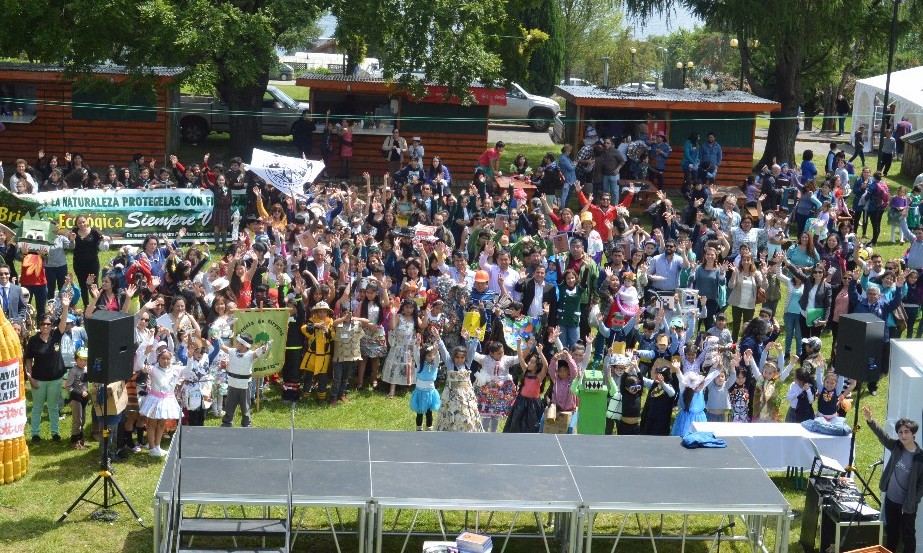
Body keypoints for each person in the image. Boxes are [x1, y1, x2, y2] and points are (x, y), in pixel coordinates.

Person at [863, 405, 923, 553]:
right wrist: (871, 420)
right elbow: (883, 437)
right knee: (892, 534)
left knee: (908, 536)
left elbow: (921, 485)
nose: (903, 435)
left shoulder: (920, 458)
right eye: (900, 432)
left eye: (906, 432)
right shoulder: (896, 447)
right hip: (891, 500)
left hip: (907, 505)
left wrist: (914, 500)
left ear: (913, 433)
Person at [24, 295, 71, 442]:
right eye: (43, 324)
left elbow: (63, 323)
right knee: (37, 408)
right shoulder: (33, 340)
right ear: (39, 325)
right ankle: (35, 434)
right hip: (38, 380)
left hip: (55, 380)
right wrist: (30, 377)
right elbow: (28, 360)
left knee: (53, 407)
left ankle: (55, 432)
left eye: (48, 324)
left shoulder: (56, 336)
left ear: (52, 326)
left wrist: (65, 307)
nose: (46, 326)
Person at [139, 341, 182, 456]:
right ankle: (152, 448)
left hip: (167, 400)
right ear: (158, 358)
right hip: (154, 399)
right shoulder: (152, 369)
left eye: (168, 359)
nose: (165, 361)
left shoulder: (174, 369)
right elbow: (139, 366)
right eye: (163, 358)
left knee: (162, 424)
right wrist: (145, 354)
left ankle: (157, 446)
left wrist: (190, 357)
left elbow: (187, 370)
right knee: (152, 424)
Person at [410, 336, 442, 431]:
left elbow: (437, 359)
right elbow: (416, 354)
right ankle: (419, 428)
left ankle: (429, 428)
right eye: (429, 355)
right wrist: (417, 345)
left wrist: (436, 351)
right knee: (419, 412)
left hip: (430, 392)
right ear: (424, 356)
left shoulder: (434, 366)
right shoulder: (420, 364)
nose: (431, 357)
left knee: (429, 412)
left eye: (432, 355)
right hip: (420, 391)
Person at [65, 347, 90, 449]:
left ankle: (81, 440)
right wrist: (80, 392)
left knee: (83, 419)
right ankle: (74, 441)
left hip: (85, 398)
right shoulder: (73, 371)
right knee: (77, 420)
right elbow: (67, 387)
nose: (83, 362)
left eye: (85, 360)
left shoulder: (86, 369)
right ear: (76, 360)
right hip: (76, 399)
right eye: (81, 360)